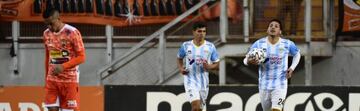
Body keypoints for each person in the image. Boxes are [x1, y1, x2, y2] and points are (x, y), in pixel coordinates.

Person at [243, 19, 301, 111]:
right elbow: (245, 60)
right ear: (267, 30)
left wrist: (292, 68)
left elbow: (297, 54)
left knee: (277, 109)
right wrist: (250, 61)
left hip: (281, 84)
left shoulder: (287, 44)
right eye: (271, 25)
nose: (273, 27)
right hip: (264, 85)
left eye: (276, 26)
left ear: (280, 32)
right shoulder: (259, 44)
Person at [43, 8, 86, 111]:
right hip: (52, 80)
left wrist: (63, 66)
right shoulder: (46, 34)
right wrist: (46, 77)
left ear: (58, 18)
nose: (50, 27)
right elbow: (48, 56)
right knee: (51, 108)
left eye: (51, 23)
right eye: (47, 24)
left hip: (69, 80)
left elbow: (82, 57)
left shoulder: (72, 32)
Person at [177, 22, 219, 111]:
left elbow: (217, 63)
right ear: (193, 32)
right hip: (190, 79)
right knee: (195, 107)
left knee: (200, 108)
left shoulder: (210, 46)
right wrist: (181, 68)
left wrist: (209, 66)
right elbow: (179, 58)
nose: (202, 34)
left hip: (204, 81)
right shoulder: (186, 45)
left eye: (204, 31)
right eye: (199, 31)